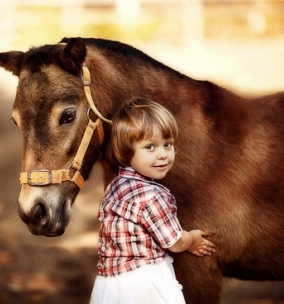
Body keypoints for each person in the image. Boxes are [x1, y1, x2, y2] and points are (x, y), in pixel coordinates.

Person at [90, 98, 216, 304]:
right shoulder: (151, 196)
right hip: (145, 284)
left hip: (109, 284)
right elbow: (174, 242)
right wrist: (192, 239)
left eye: (168, 144)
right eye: (150, 147)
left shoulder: (114, 186)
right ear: (125, 151)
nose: (163, 155)